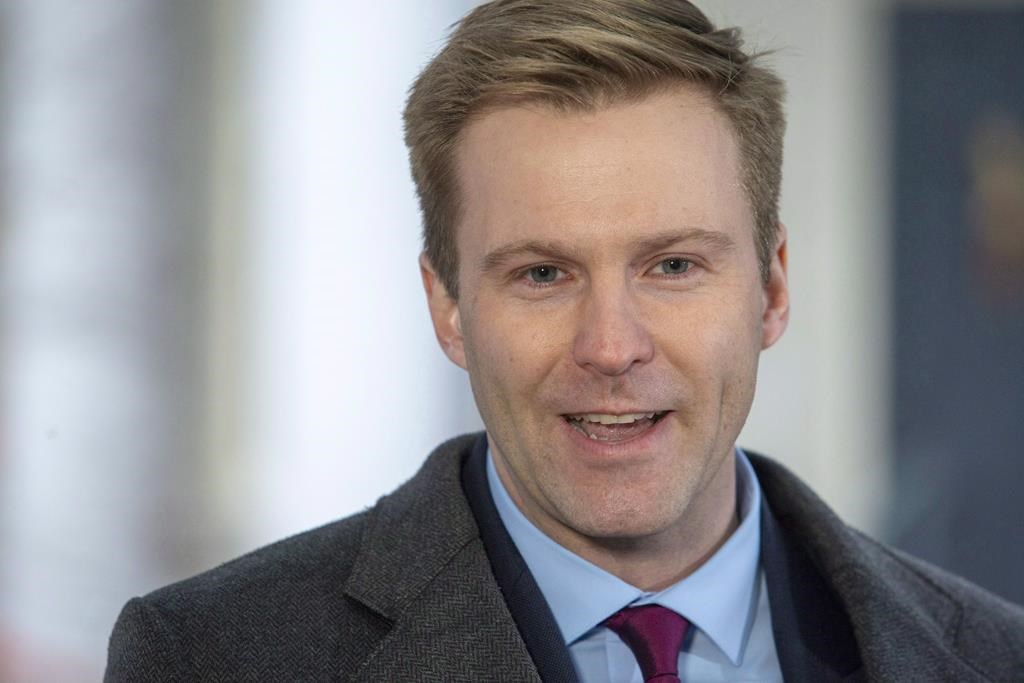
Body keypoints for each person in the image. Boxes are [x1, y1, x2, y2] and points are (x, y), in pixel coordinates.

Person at [105, 1, 1024, 681]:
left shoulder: (995, 656)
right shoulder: (208, 657)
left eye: (672, 265)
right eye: (543, 273)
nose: (611, 347)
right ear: (448, 306)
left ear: (772, 288)